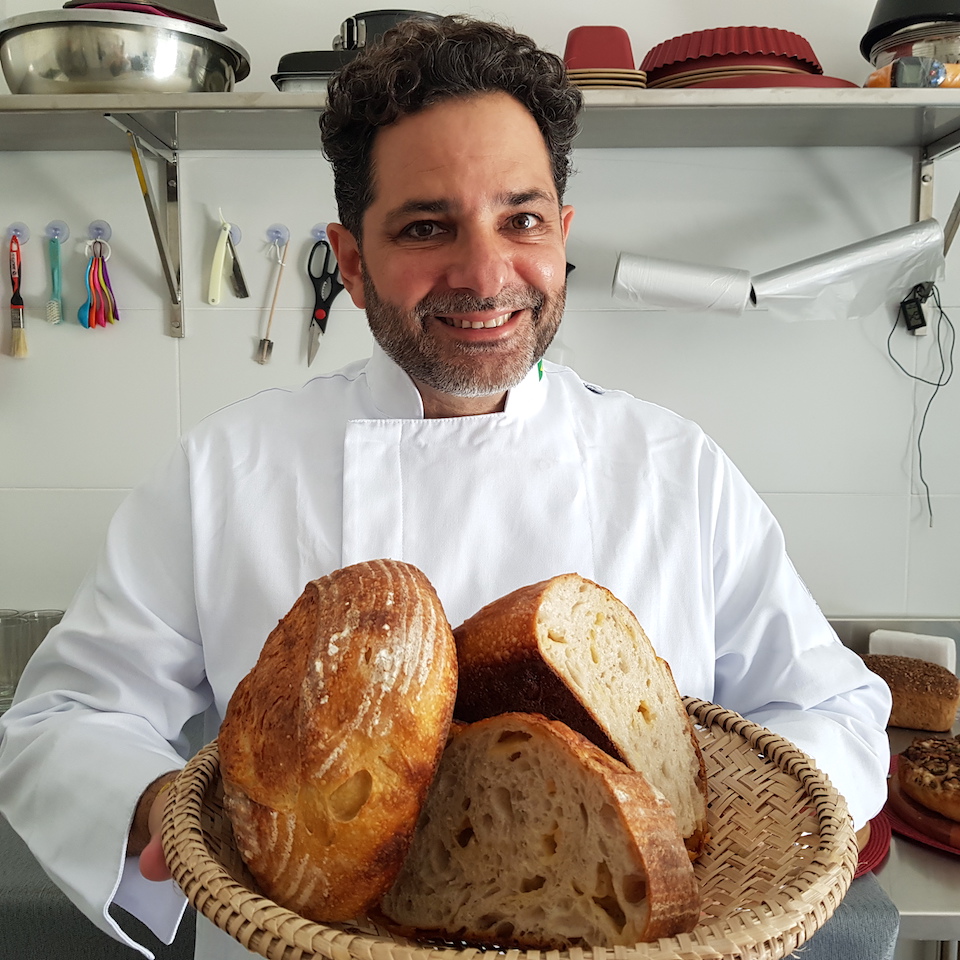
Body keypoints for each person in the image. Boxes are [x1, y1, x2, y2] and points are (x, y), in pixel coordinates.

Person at [0, 16, 897, 960]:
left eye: (522, 220)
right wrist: (156, 805)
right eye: (427, 228)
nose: (485, 273)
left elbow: (832, 709)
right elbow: (65, 715)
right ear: (352, 264)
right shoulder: (227, 470)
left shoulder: (674, 467)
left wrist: (704, 839)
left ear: (562, 235)